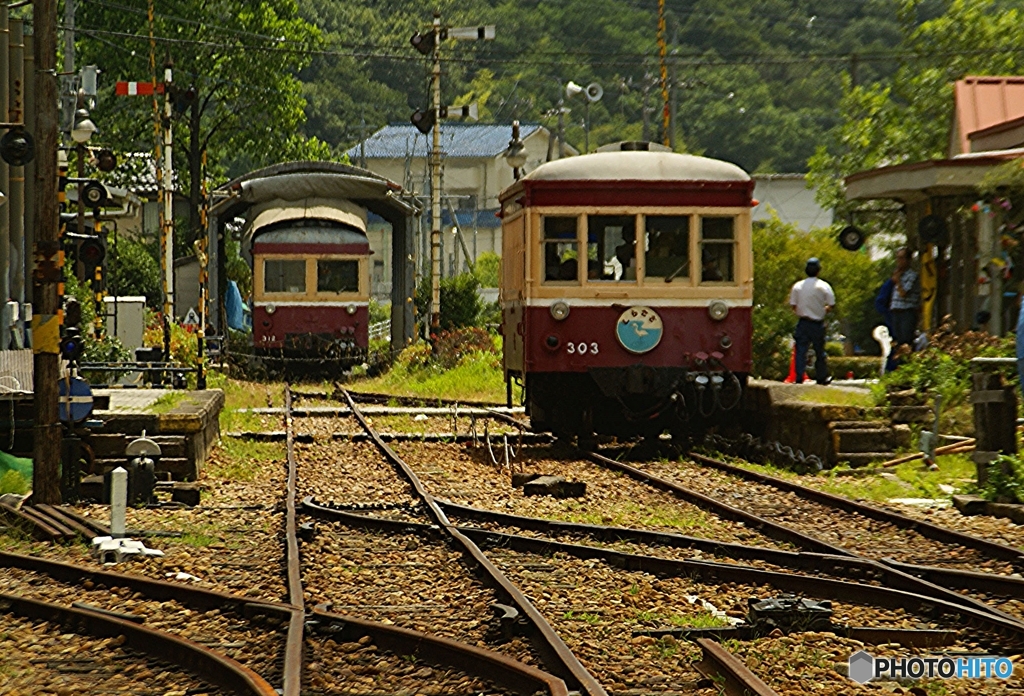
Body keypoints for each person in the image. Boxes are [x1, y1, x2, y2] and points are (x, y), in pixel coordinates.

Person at [789, 257, 835, 385]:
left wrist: (801, 310)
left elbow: (793, 305)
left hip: (803, 322)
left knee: (801, 351)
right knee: (819, 351)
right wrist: (822, 310)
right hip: (817, 323)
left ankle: (799, 377)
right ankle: (821, 377)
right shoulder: (824, 286)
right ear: (818, 271)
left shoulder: (797, 286)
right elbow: (831, 304)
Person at [889, 247, 920, 351]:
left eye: (901, 258)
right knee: (897, 342)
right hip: (896, 311)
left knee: (905, 341)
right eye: (897, 258)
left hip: (907, 311)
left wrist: (897, 281)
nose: (899, 261)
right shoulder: (898, 275)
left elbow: (903, 293)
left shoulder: (912, 275)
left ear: (908, 260)